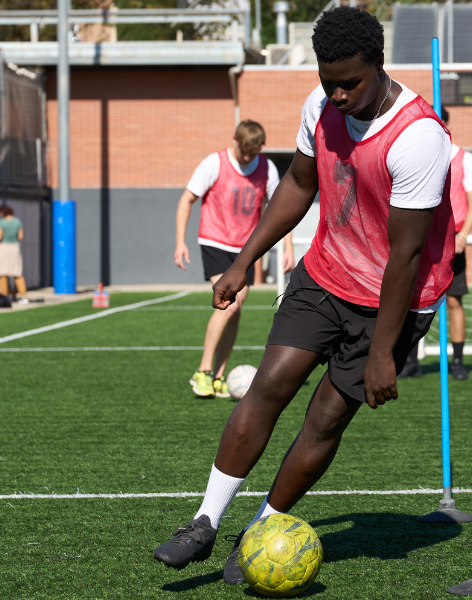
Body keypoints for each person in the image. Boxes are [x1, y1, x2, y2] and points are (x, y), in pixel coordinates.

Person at [153, 6, 454, 584]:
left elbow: (406, 255)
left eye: (350, 83)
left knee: (324, 419)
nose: (337, 95)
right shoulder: (320, 106)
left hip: (394, 296)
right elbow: (298, 182)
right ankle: (203, 522)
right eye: (327, 80)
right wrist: (243, 261)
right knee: (268, 385)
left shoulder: (419, 137)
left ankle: (259, 532)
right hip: (326, 272)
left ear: (379, 63)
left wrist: (383, 353)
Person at [173, 121, 294, 399]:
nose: (247, 158)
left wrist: (287, 247)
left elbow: (281, 208)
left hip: (246, 249)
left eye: (253, 153)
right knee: (230, 304)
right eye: (244, 152)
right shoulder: (214, 164)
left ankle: (218, 377)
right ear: (235, 140)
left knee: (235, 310)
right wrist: (180, 241)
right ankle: (203, 371)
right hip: (215, 242)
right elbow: (186, 199)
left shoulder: (267, 169)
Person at [397, 107, 472, 380]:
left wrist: (463, 235)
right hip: (421, 239)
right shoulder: (417, 153)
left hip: (452, 241)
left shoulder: (464, 159)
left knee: (453, 301)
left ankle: (458, 361)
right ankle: (409, 361)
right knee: (411, 300)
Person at [0, 204, 27, 302]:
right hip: (15, 248)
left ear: (2, 212)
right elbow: (20, 237)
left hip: (3, 248)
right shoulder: (17, 221)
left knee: (2, 273)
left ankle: (4, 296)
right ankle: (23, 295)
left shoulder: (1, 222)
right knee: (17, 273)